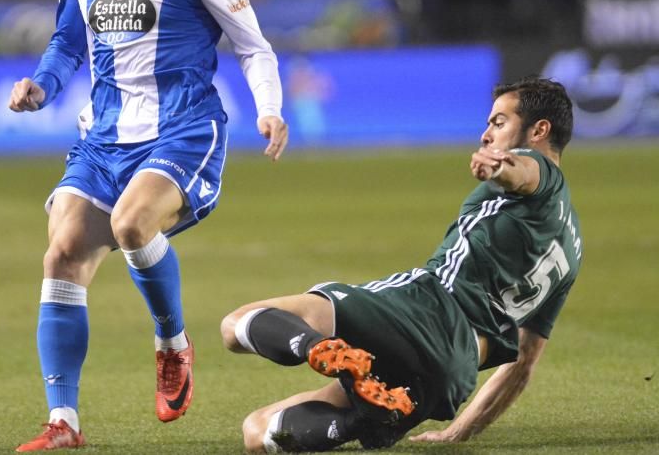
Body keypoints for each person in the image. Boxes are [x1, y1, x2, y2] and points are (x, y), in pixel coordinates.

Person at [8, 0, 288, 451]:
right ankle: (64, 424)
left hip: (184, 129)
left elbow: (251, 44)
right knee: (61, 259)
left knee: (134, 225)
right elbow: (67, 43)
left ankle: (172, 344)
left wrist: (269, 109)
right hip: (104, 138)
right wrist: (43, 87)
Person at [221, 77, 581, 452]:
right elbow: (521, 365)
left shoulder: (540, 172)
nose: (486, 133)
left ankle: (317, 348)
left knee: (235, 325)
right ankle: (356, 421)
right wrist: (458, 431)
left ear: (539, 130)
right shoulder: (572, 249)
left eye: (499, 122)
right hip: (455, 372)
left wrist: (498, 168)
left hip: (429, 309)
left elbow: (522, 172)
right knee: (259, 433)